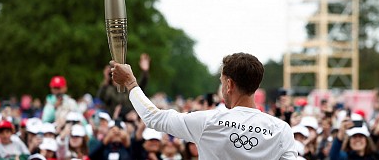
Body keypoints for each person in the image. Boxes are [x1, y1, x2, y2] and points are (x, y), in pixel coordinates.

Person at [111, 52, 297, 159]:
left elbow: (153, 118)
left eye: (222, 82)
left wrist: (131, 83)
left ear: (229, 84)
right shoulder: (281, 130)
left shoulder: (209, 121)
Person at [97, 53, 151, 118]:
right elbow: (100, 97)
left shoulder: (129, 88)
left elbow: (140, 87)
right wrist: (106, 79)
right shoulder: (108, 89)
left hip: (128, 121)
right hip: (112, 121)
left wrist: (145, 72)